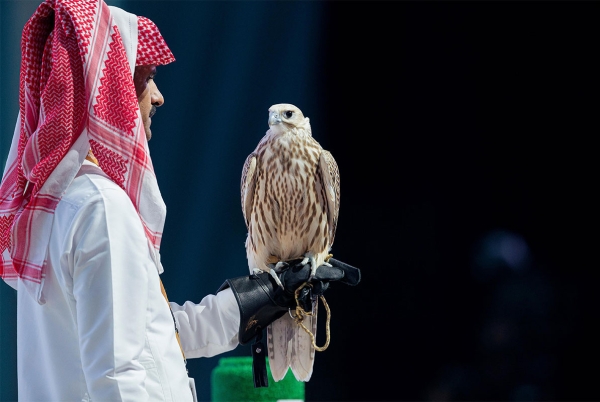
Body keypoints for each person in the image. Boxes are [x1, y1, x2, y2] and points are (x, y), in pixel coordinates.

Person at [0, 1, 360, 401]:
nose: (158, 97)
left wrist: (260, 299)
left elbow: (148, 338)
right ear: (109, 88)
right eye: (148, 77)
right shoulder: (100, 208)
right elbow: (119, 378)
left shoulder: (54, 206)